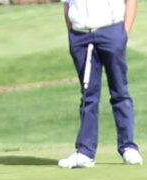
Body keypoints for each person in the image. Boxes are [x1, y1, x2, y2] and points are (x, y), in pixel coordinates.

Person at [58, 0, 140, 169]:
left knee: (119, 91)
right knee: (89, 95)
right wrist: (72, 34)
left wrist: (124, 33)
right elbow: (66, 6)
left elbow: (131, 1)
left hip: (111, 31)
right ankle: (85, 153)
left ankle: (128, 147)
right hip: (80, 36)